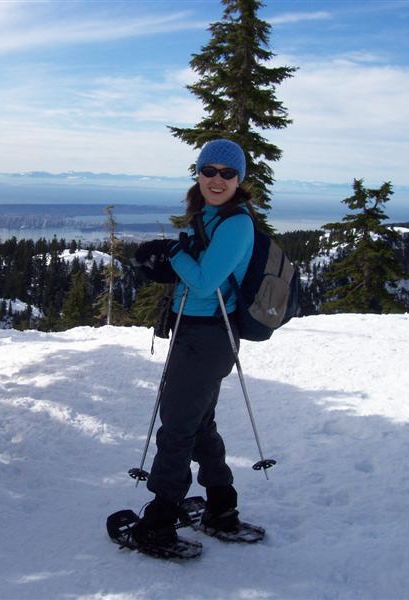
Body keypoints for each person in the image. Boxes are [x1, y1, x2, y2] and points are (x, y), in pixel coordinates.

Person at [132, 139, 255, 550]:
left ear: (239, 179)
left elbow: (204, 280)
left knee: (178, 428)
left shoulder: (236, 223)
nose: (217, 179)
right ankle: (222, 508)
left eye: (227, 173)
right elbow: (195, 271)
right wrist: (177, 260)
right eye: (209, 170)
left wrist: (172, 253)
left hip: (209, 336)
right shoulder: (207, 215)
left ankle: (160, 521)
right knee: (198, 424)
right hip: (195, 331)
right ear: (198, 173)